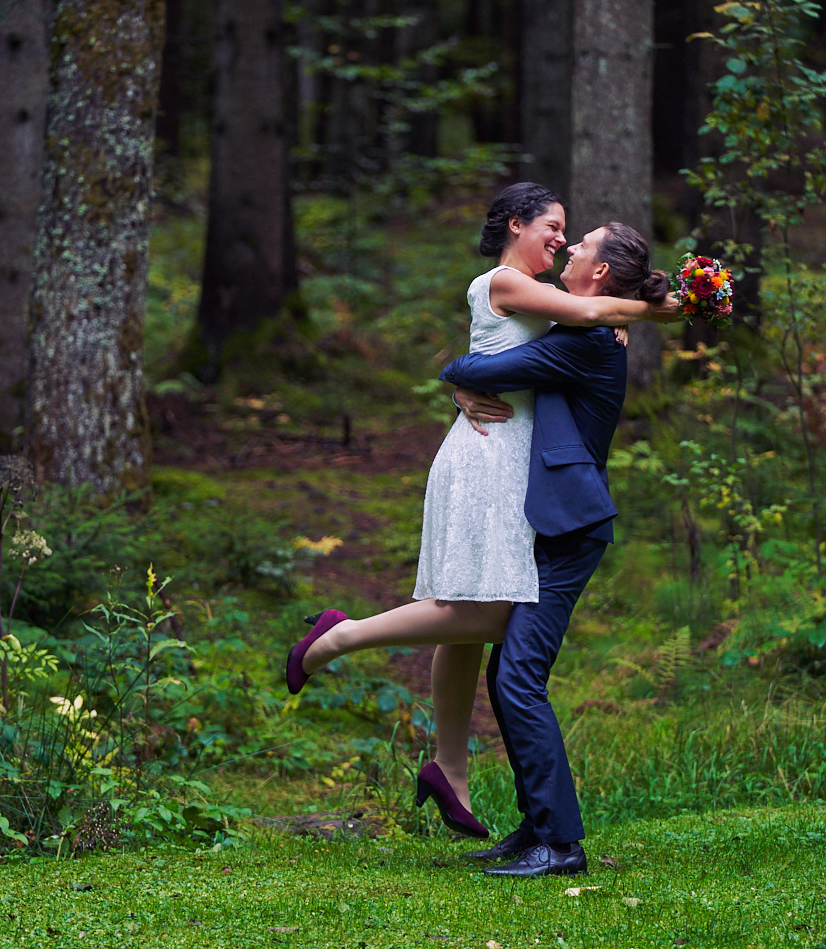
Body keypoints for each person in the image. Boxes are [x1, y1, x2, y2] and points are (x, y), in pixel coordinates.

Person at [284, 184, 676, 840]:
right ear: (516, 224)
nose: (563, 239)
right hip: (488, 453)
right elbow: (562, 323)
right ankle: (341, 634)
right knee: (487, 612)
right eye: (553, 226)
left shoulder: (564, 309)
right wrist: (665, 308)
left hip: (515, 461)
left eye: (572, 234)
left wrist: (616, 319)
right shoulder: (508, 282)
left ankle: (451, 768)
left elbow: (543, 342)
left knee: (470, 618)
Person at [439, 220, 671, 876]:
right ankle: (537, 825)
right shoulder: (584, 331)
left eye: (582, 244)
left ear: (600, 274)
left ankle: (562, 844)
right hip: (559, 524)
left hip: (571, 530)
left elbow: (476, 366)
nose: (569, 247)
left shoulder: (584, 341)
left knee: (518, 675)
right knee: (506, 674)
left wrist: (456, 378)